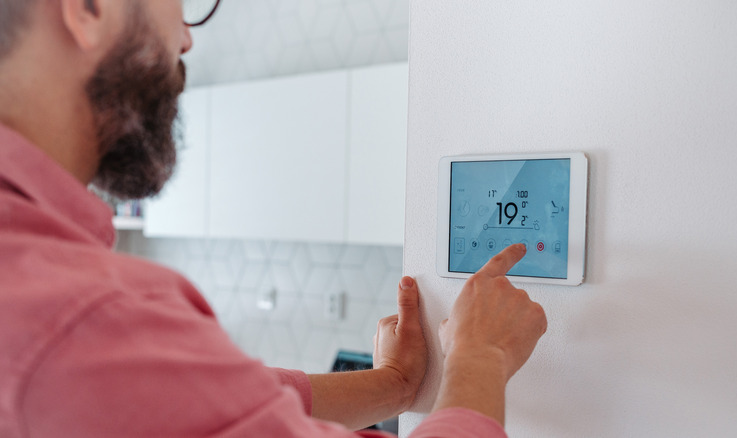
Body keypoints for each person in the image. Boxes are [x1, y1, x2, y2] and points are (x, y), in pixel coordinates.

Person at [0, 0, 547, 436]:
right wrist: (481, 358)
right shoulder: (84, 315)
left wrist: (399, 385)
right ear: (89, 7)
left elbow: (214, 405)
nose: (186, 39)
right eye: (182, 5)